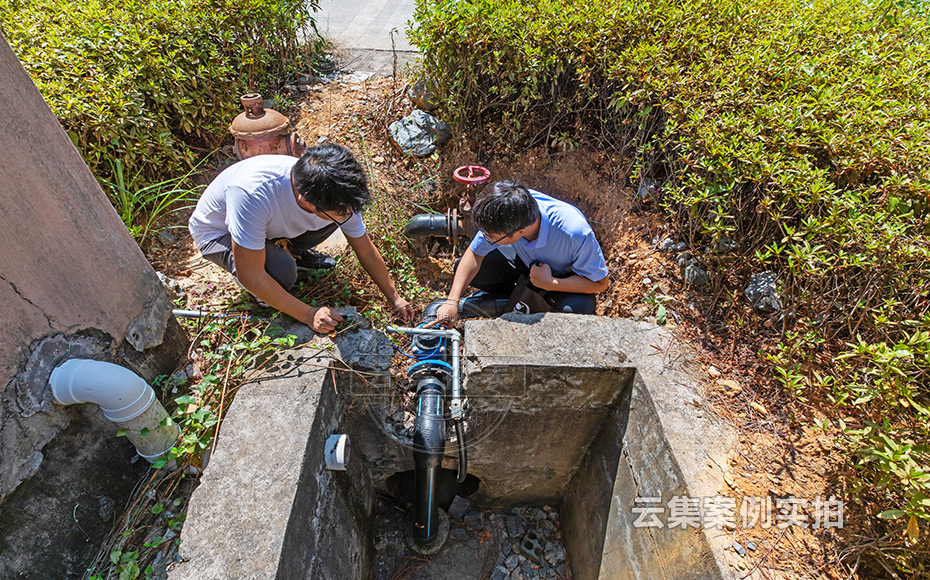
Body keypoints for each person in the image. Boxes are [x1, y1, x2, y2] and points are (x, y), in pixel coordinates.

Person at [188, 143, 415, 333]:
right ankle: (275, 272)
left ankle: (290, 252)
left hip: (267, 228)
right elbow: (251, 274)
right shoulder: (252, 193)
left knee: (333, 222)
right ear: (306, 201)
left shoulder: (333, 192)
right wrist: (309, 314)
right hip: (219, 235)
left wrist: (394, 297)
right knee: (283, 272)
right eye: (343, 211)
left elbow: (365, 250)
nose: (350, 215)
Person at [432, 180, 609, 327]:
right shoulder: (508, 209)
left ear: (520, 232)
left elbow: (600, 283)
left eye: (491, 237)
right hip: (526, 264)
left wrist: (551, 283)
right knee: (470, 269)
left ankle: (541, 302)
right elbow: (474, 254)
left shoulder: (574, 232)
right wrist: (452, 301)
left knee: (577, 310)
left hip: (563, 279)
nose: (486, 238)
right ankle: (516, 298)